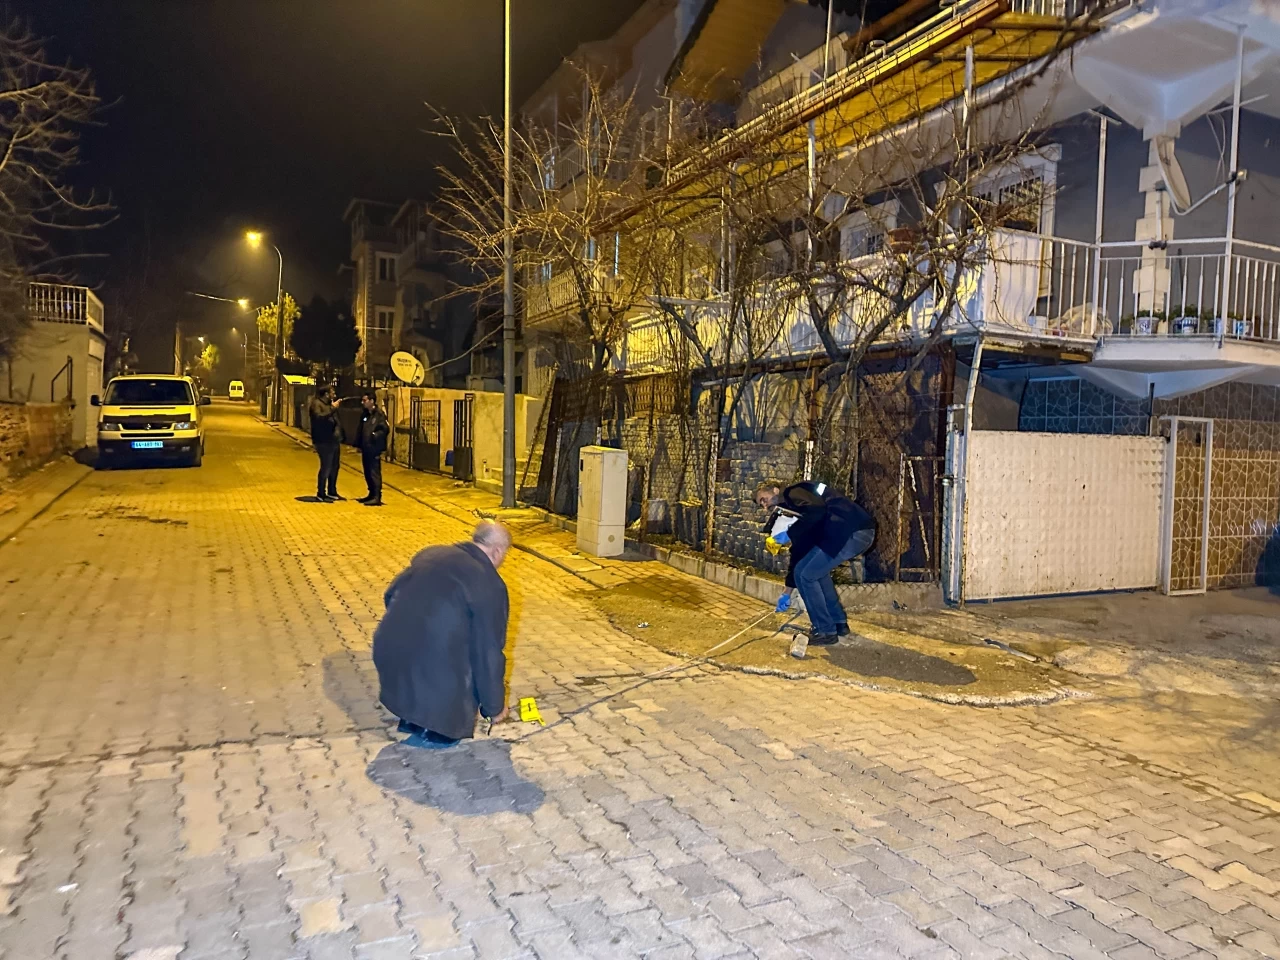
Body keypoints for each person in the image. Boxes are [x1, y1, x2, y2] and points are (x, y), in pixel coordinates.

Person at [372, 521, 513, 749]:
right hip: (430, 666)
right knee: (457, 658)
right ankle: (437, 731)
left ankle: (413, 718)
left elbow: (390, 595)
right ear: (497, 551)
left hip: (388, 650)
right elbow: (488, 653)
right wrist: (494, 707)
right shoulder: (489, 583)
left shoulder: (432, 554)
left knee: (433, 646)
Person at [755, 479, 876, 646]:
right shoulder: (798, 510)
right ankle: (838, 623)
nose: (764, 506)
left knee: (806, 576)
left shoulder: (792, 493)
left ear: (775, 490)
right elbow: (799, 552)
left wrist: (790, 533)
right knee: (811, 572)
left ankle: (824, 630)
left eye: (763, 499)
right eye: (761, 504)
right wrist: (787, 592)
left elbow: (817, 510)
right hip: (852, 532)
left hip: (850, 532)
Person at [308, 384, 343, 502]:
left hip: (333, 440)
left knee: (335, 466)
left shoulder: (328, 404)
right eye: (332, 392)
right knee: (326, 466)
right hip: (323, 440)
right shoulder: (317, 404)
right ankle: (321, 492)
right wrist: (333, 408)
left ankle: (332, 491)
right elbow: (319, 418)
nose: (334, 394)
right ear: (326, 394)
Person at [356, 392, 390, 507]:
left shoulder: (379, 414)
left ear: (372, 401)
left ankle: (376, 496)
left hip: (374, 448)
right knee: (367, 471)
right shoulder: (365, 414)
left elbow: (385, 429)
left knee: (374, 472)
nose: (362, 403)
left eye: (365, 400)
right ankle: (371, 494)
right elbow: (361, 429)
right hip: (366, 447)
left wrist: (374, 435)